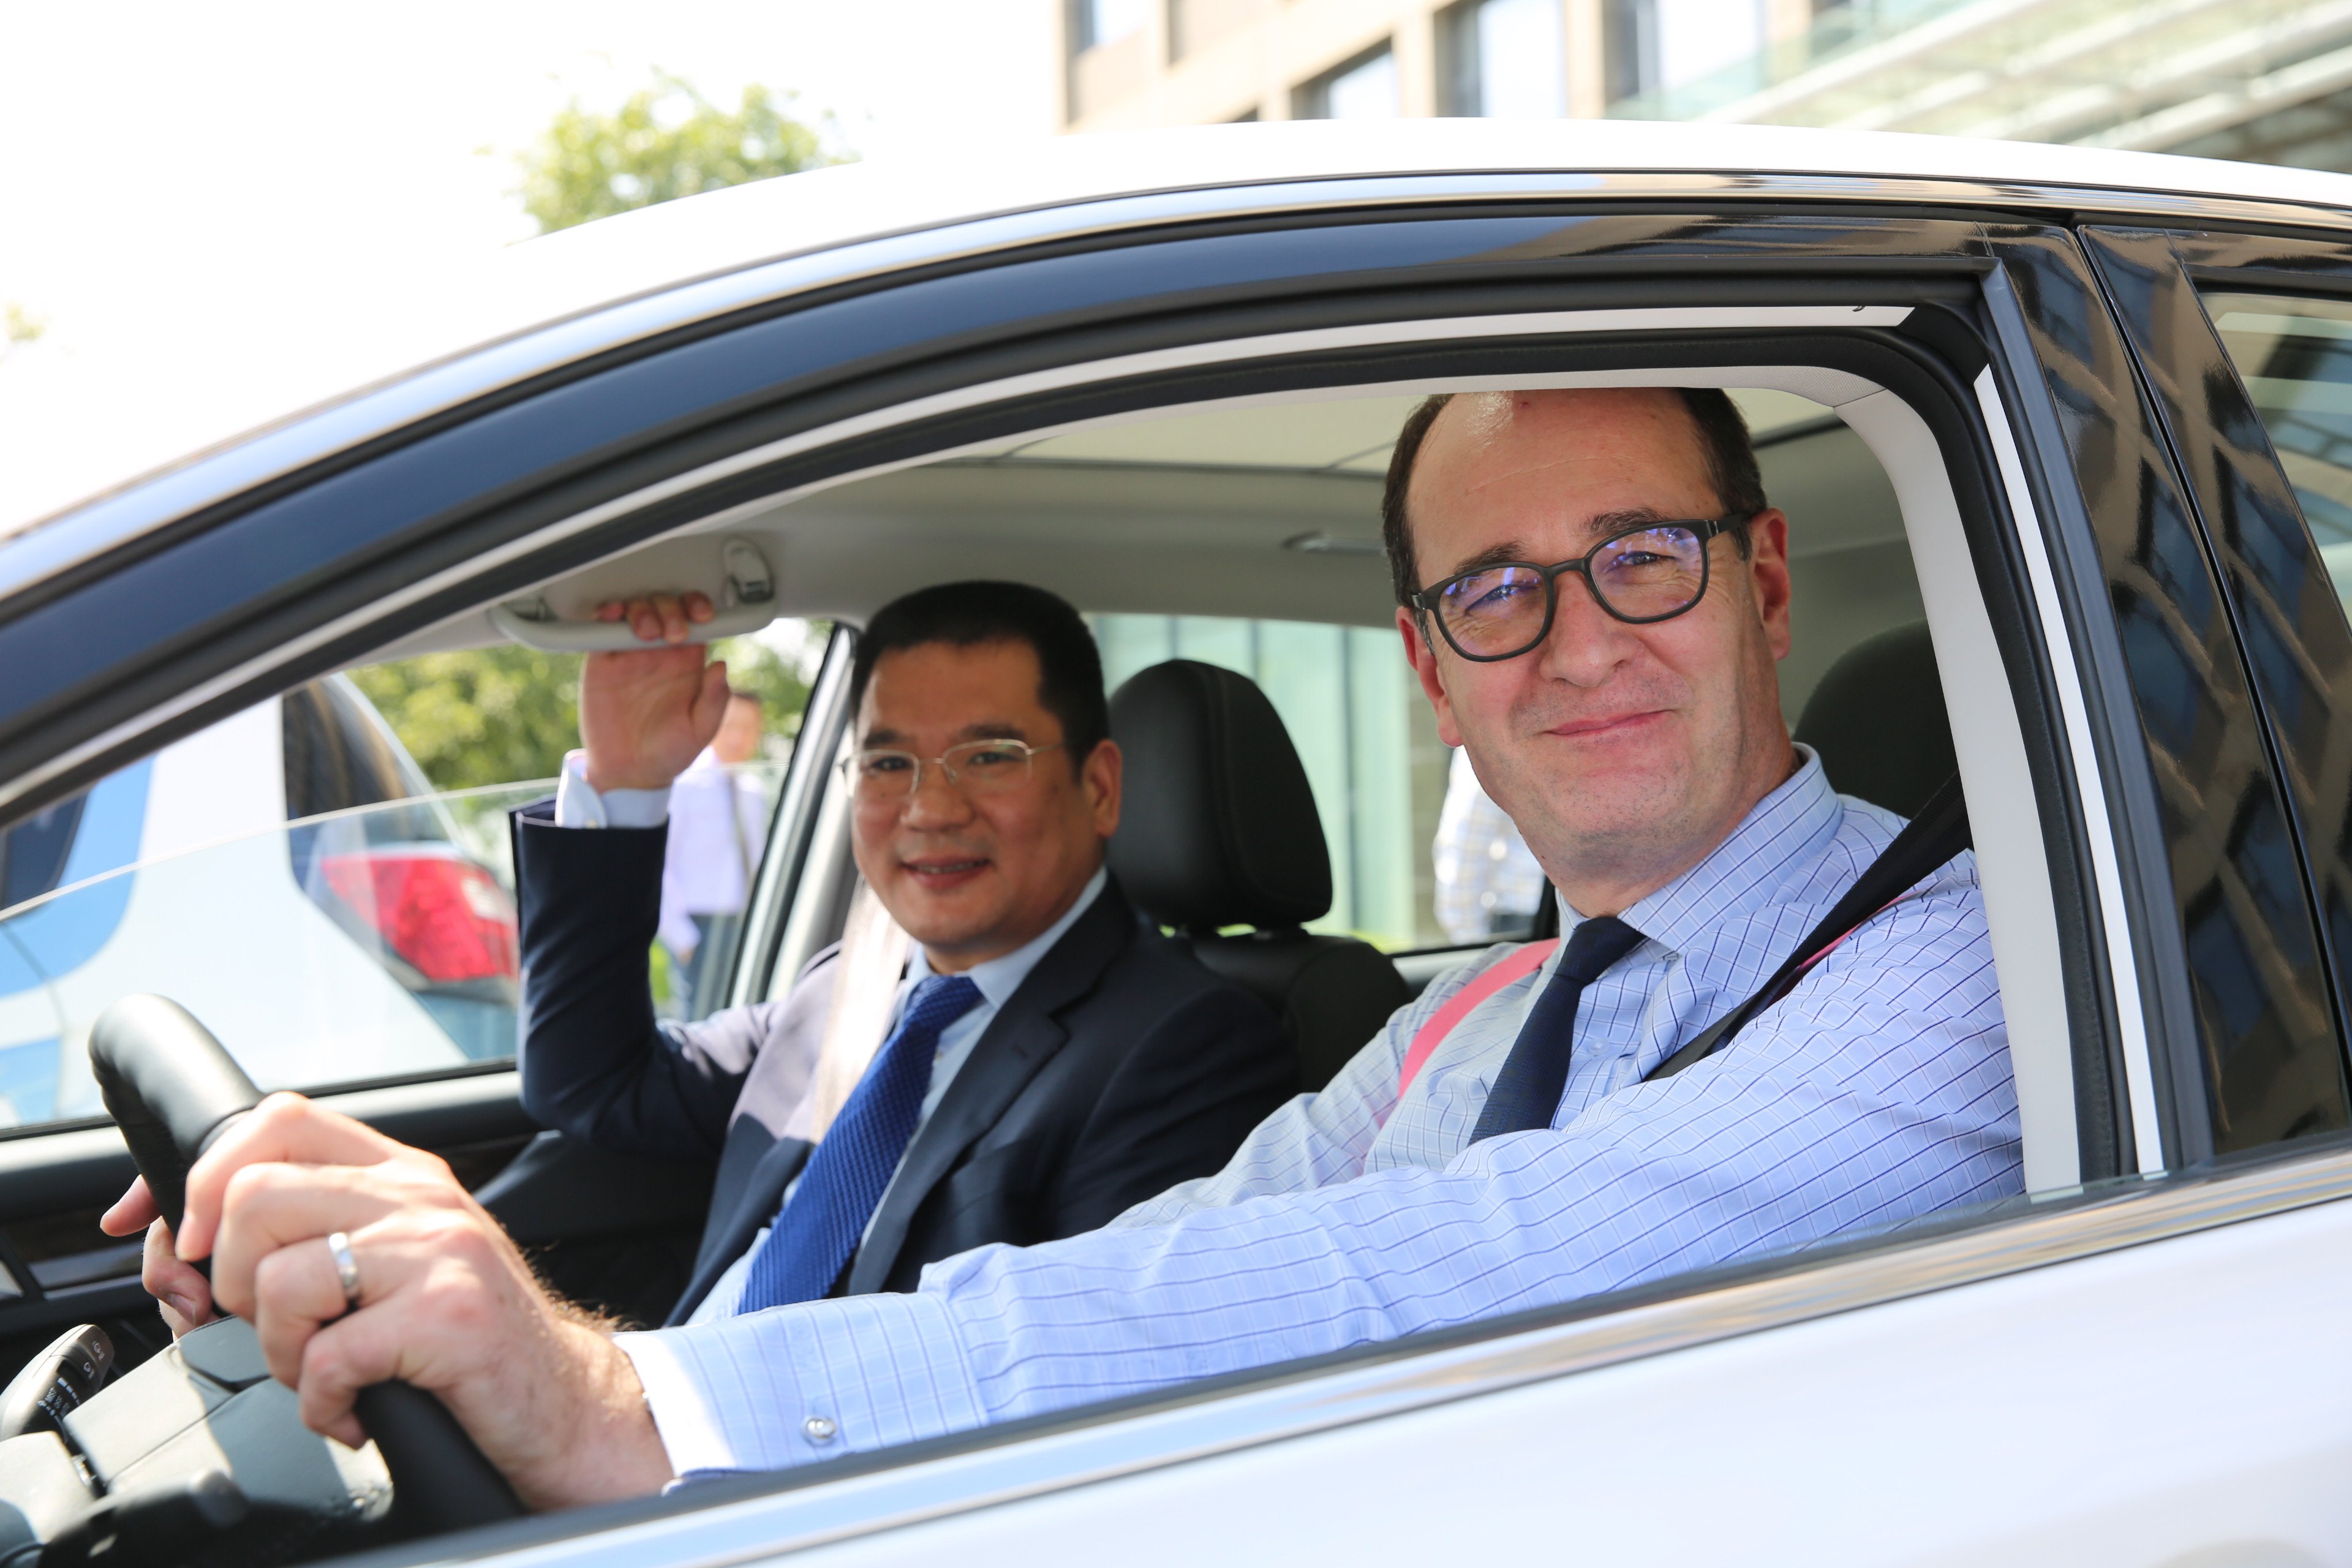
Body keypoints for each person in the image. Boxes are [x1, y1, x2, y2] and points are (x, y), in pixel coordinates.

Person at [103, 386, 2019, 1513]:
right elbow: (1183, 1264)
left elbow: (1439, 1276)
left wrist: (628, 1405)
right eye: (1496, 594)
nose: (1575, 640)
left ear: (1758, 581)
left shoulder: (1969, 971)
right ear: (1429, 669)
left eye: (1642, 559)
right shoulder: (1470, 1017)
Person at [654, 686, 767, 982]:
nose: (738, 738)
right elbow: (659, 862)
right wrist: (681, 937)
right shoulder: (684, 784)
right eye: (729, 726)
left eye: (748, 728)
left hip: (745, 923)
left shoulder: (753, 791)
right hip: (697, 926)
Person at [1431, 745, 1547, 941]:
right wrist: (1473, 941)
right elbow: (1466, 848)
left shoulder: (1488, 735)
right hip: (1525, 919)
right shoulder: (1484, 737)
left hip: (1533, 916)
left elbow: (1465, 847)